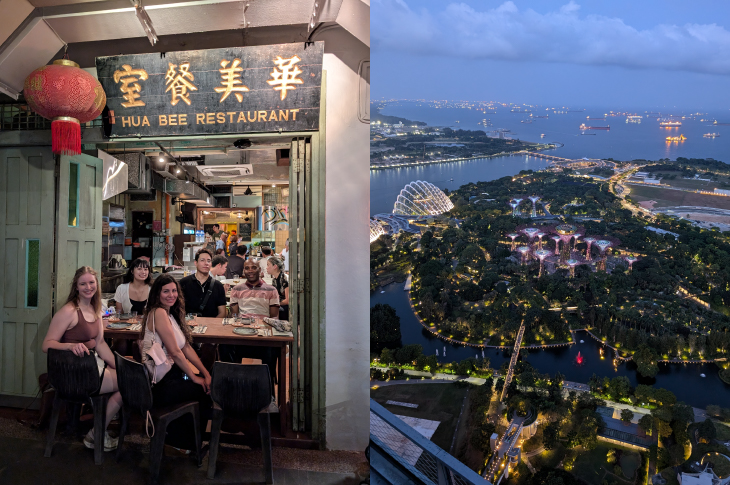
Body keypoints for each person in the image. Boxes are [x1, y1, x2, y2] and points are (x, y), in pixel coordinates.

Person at [42, 266, 122, 451]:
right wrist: (69, 346)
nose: (88, 287)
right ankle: (96, 434)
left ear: (97, 284)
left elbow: (100, 343)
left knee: (128, 377)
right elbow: (46, 344)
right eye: (83, 283)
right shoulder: (69, 311)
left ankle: (98, 430)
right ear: (76, 286)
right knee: (128, 384)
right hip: (74, 375)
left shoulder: (96, 307)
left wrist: (117, 366)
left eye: (91, 283)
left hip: (91, 367)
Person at [140, 274, 211, 450]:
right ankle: (185, 442)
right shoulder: (158, 312)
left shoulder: (169, 314)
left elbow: (185, 347)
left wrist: (205, 372)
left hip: (170, 376)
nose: (171, 295)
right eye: (166, 291)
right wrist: (195, 377)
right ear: (157, 294)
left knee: (207, 383)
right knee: (203, 392)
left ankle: (183, 438)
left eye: (174, 291)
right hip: (159, 384)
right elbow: (175, 352)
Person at [224, 258, 280, 383]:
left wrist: (260, 327)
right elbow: (235, 315)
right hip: (242, 334)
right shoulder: (236, 289)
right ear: (243, 270)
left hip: (262, 337)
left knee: (272, 350)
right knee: (225, 347)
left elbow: (274, 317)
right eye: (247, 268)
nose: (250, 271)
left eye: (253, 267)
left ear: (260, 270)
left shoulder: (271, 290)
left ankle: (268, 388)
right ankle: (232, 383)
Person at [179, 248, 227, 318]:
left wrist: (211, 325)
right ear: (196, 263)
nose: (206, 263)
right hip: (189, 325)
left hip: (211, 326)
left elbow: (222, 312)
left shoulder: (218, 286)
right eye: (202, 260)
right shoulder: (184, 283)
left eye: (208, 261)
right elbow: (178, 308)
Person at [267, 256, 289, 321]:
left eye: (268, 265)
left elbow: (288, 300)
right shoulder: (274, 280)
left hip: (287, 307)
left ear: (275, 266)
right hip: (279, 304)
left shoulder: (284, 278)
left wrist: (275, 304)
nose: (266, 268)